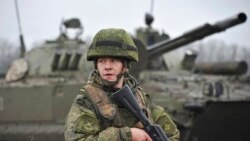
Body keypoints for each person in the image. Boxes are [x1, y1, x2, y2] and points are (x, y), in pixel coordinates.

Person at [64, 28, 180, 141]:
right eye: (102, 61)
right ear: (96, 65)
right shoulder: (87, 99)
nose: (107, 66)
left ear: (125, 66)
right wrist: (126, 135)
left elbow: (171, 133)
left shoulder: (139, 96)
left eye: (113, 60)